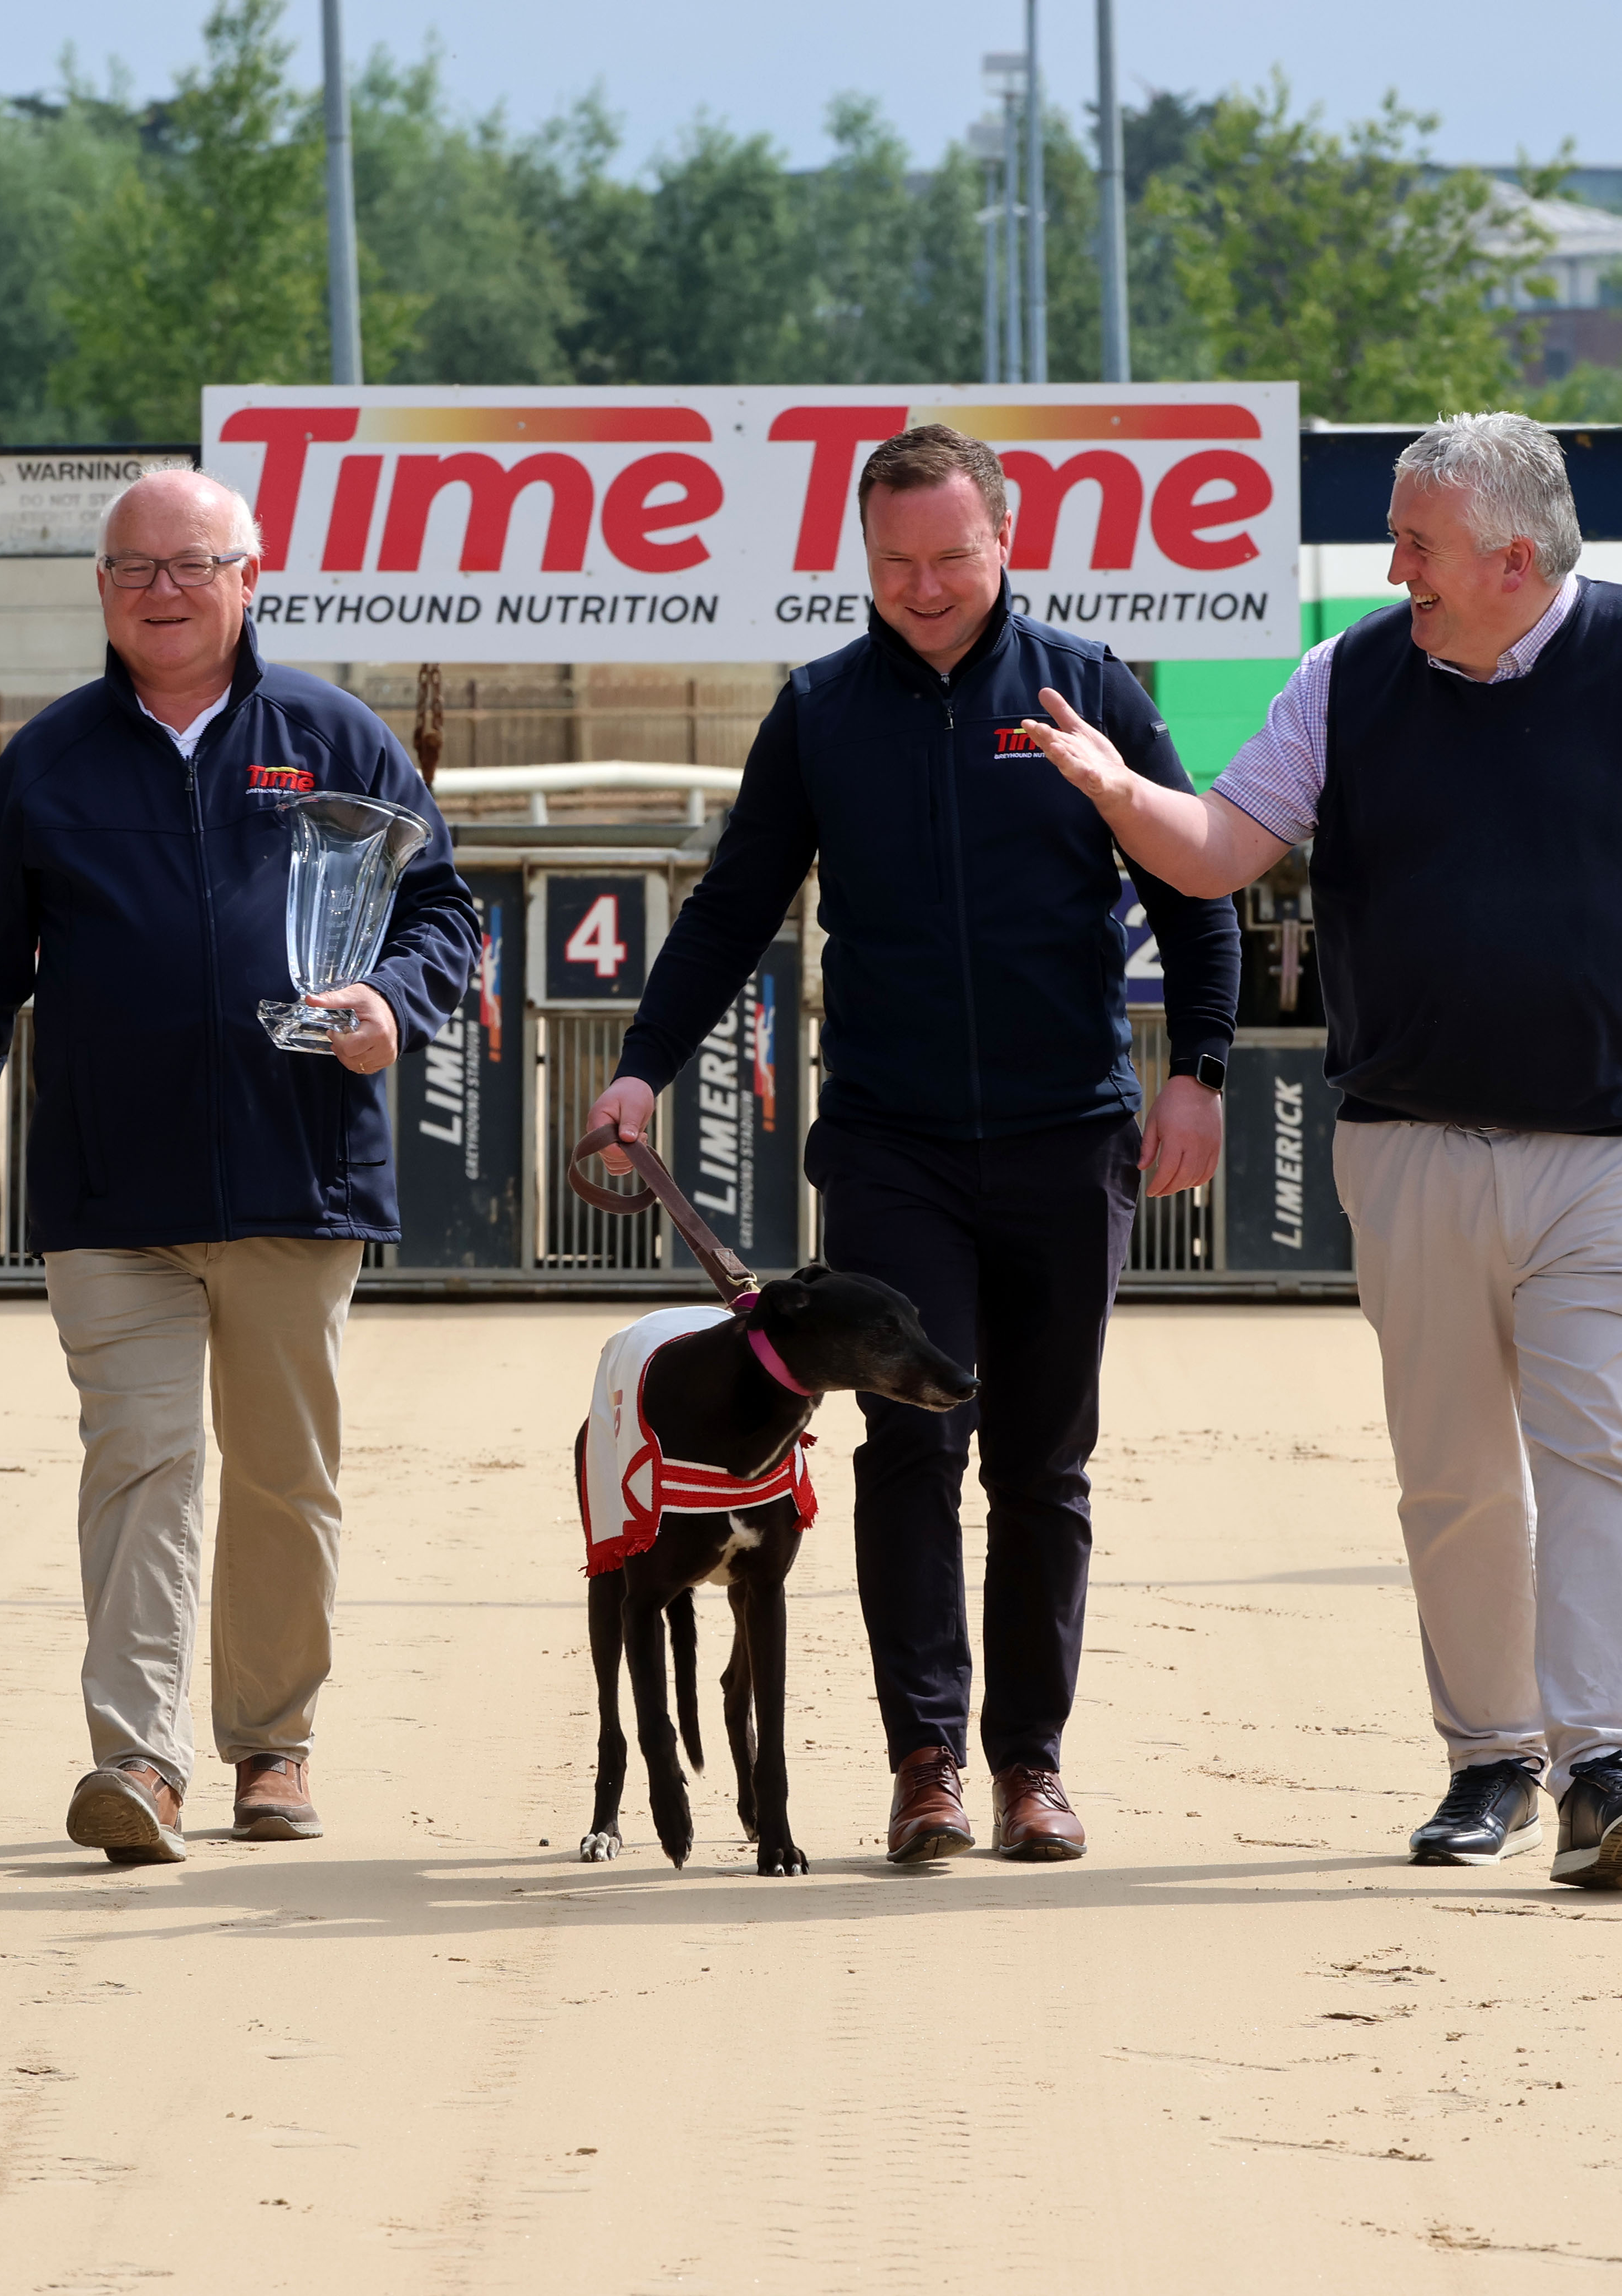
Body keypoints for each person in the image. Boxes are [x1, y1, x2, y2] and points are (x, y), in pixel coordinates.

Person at [1030, 408, 1622, 1891]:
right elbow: (1222, 852)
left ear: (1512, 554)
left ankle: (1611, 1763)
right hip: (1413, 1144)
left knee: (1606, 1451)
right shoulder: (1350, 676)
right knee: (1452, 1472)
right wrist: (1119, 796)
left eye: (1417, 541)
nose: (1394, 566)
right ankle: (1490, 1752)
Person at [584, 424, 1240, 1866]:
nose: (926, 586)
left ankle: (1033, 1764)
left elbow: (1199, 889)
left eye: (953, 556)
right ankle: (927, 1760)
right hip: (892, 1144)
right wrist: (640, 1069)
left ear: (1009, 542)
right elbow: (733, 908)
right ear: (861, 556)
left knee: (1044, 1463)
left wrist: (1196, 1072)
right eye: (896, 562)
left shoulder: (1093, 693)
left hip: (1073, 1135)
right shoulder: (821, 710)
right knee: (911, 1444)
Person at [0, 469, 477, 1865]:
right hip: (109, 1195)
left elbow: (441, 908)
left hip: (296, 1176)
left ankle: (272, 1745)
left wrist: (397, 1000)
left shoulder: (332, 738)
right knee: (140, 1464)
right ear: (100, 591)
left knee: (282, 1475)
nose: (162, 589)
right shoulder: (47, 766)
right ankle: (136, 1762)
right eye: (134, 568)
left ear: (247, 577)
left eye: (191, 565)